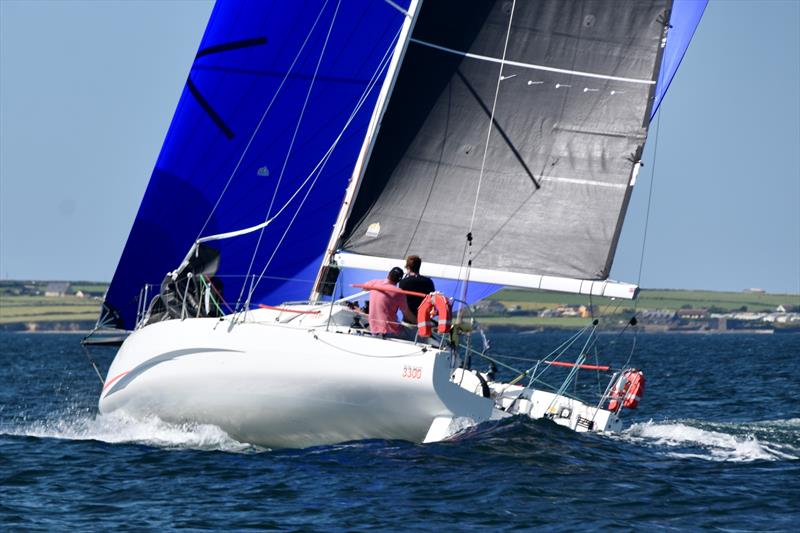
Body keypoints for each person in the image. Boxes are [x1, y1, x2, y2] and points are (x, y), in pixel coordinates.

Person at [362, 267, 414, 338]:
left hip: (373, 329)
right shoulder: (399, 292)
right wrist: (418, 323)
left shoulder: (375, 283)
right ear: (399, 280)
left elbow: (363, 288)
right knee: (413, 333)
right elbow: (407, 314)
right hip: (390, 331)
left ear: (388, 274)